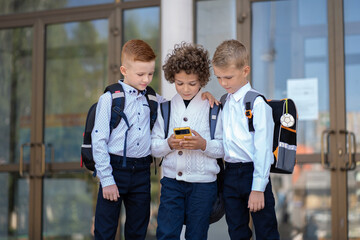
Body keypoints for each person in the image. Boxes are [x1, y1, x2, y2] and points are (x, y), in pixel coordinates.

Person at [92, 39, 218, 240]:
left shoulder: (153, 99)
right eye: (140, 74)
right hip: (114, 169)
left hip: (142, 173)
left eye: (150, 74)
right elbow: (98, 140)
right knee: (105, 229)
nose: (146, 79)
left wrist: (205, 94)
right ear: (124, 70)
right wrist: (106, 179)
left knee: (137, 230)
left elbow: (180, 104)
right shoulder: (109, 98)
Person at [151, 42, 224, 240]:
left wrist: (203, 145)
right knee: (166, 234)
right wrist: (169, 144)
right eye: (179, 83)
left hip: (203, 185)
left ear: (202, 79)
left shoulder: (213, 108)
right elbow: (154, 148)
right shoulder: (165, 109)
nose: (185, 89)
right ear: (172, 78)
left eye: (192, 84)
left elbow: (224, 148)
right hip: (171, 183)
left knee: (196, 236)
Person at [212, 39, 280, 240]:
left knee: (266, 231)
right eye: (219, 78)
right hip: (230, 174)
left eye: (228, 77)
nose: (224, 83)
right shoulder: (225, 101)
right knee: (236, 231)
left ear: (245, 70)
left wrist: (258, 188)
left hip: (254, 173)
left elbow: (263, 149)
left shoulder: (257, 103)